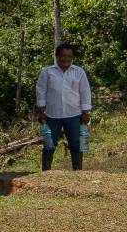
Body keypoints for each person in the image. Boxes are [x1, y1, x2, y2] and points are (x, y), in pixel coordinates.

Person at [35, 41, 93, 171]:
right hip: (52, 115)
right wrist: (41, 110)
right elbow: (41, 90)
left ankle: (77, 172)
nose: (66, 59)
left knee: (76, 145)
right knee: (49, 144)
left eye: (69, 56)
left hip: (74, 115)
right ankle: (46, 173)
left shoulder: (79, 72)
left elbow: (85, 91)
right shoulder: (47, 72)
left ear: (72, 58)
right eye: (63, 55)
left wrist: (86, 112)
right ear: (57, 56)